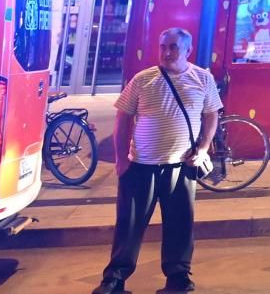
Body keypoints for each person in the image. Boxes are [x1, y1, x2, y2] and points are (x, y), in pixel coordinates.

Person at [93, 27, 221, 294]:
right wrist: (121, 161)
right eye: (163, 46)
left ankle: (178, 277)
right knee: (128, 225)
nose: (166, 52)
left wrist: (204, 147)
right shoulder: (143, 79)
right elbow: (122, 118)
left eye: (173, 47)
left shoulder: (203, 79)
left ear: (188, 50)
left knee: (180, 225)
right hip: (141, 166)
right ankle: (114, 278)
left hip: (182, 166)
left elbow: (211, 115)